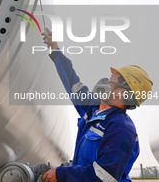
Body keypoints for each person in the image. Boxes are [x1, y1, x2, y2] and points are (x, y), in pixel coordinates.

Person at [38, 29, 153, 182]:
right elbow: (72, 82)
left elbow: (104, 177)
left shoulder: (121, 129)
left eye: (112, 79)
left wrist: (61, 174)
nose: (105, 81)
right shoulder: (93, 110)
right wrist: (55, 49)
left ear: (121, 93)